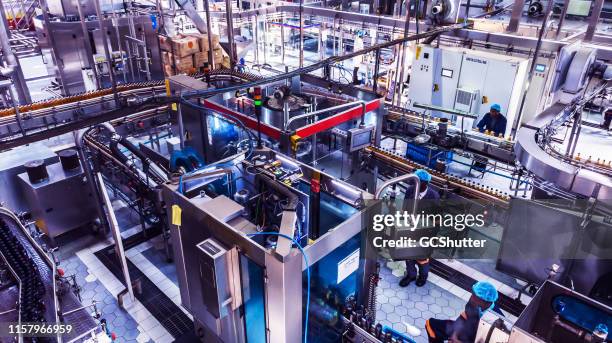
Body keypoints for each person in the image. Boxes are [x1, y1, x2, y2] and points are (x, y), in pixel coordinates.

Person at [399, 169, 440, 288]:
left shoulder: (434, 196)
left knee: (422, 259)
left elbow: (436, 219)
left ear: (425, 184)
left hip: (425, 233)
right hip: (410, 229)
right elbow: (404, 209)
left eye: (417, 182)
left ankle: (422, 277)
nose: (414, 183)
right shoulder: (410, 190)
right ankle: (411, 275)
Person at [425, 281, 498, 343]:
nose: (472, 298)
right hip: (466, 328)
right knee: (430, 324)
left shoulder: (494, 320)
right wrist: (454, 334)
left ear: (486, 302)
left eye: (476, 298)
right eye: (472, 294)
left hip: (476, 337)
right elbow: (465, 315)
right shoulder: (473, 302)